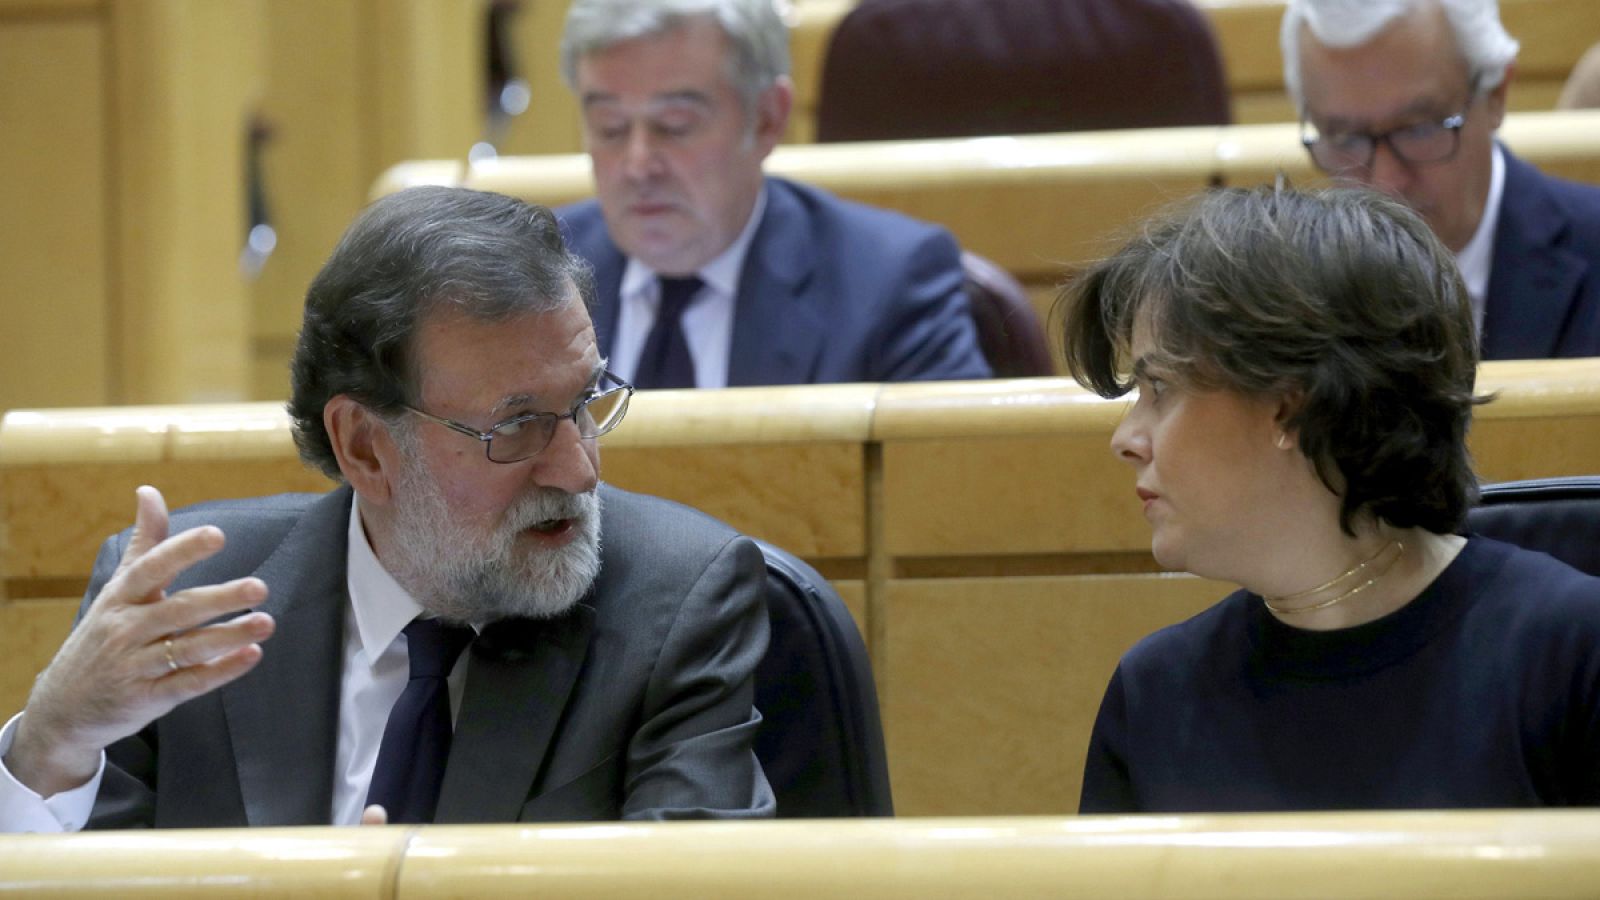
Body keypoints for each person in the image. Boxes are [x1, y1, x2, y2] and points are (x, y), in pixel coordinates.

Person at [0, 186, 775, 830]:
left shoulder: (679, 603)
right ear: (365, 447)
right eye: (517, 425)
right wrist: (49, 746)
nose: (577, 467)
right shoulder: (190, 609)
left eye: (584, 403)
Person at [1061, 184, 1600, 812]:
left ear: (1291, 407)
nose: (1126, 438)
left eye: (1158, 387)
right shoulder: (1153, 693)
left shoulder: (1574, 653)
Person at [556, 0, 993, 388]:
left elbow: (949, 474)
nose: (638, 166)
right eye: (609, 127)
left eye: (675, 125)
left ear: (767, 118)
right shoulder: (537, 275)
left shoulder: (889, 283)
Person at [1282, 0, 1600, 359]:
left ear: (1496, 94)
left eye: (1419, 129)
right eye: (1346, 139)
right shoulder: (1285, 299)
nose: (1386, 184)